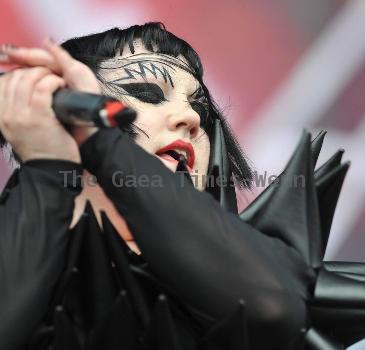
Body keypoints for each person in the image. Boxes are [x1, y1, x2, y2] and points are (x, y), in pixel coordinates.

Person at [0, 22, 363, 350]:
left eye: (201, 110)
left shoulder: (269, 264)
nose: (190, 118)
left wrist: (103, 143)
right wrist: (49, 166)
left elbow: (271, 308)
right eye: (147, 93)